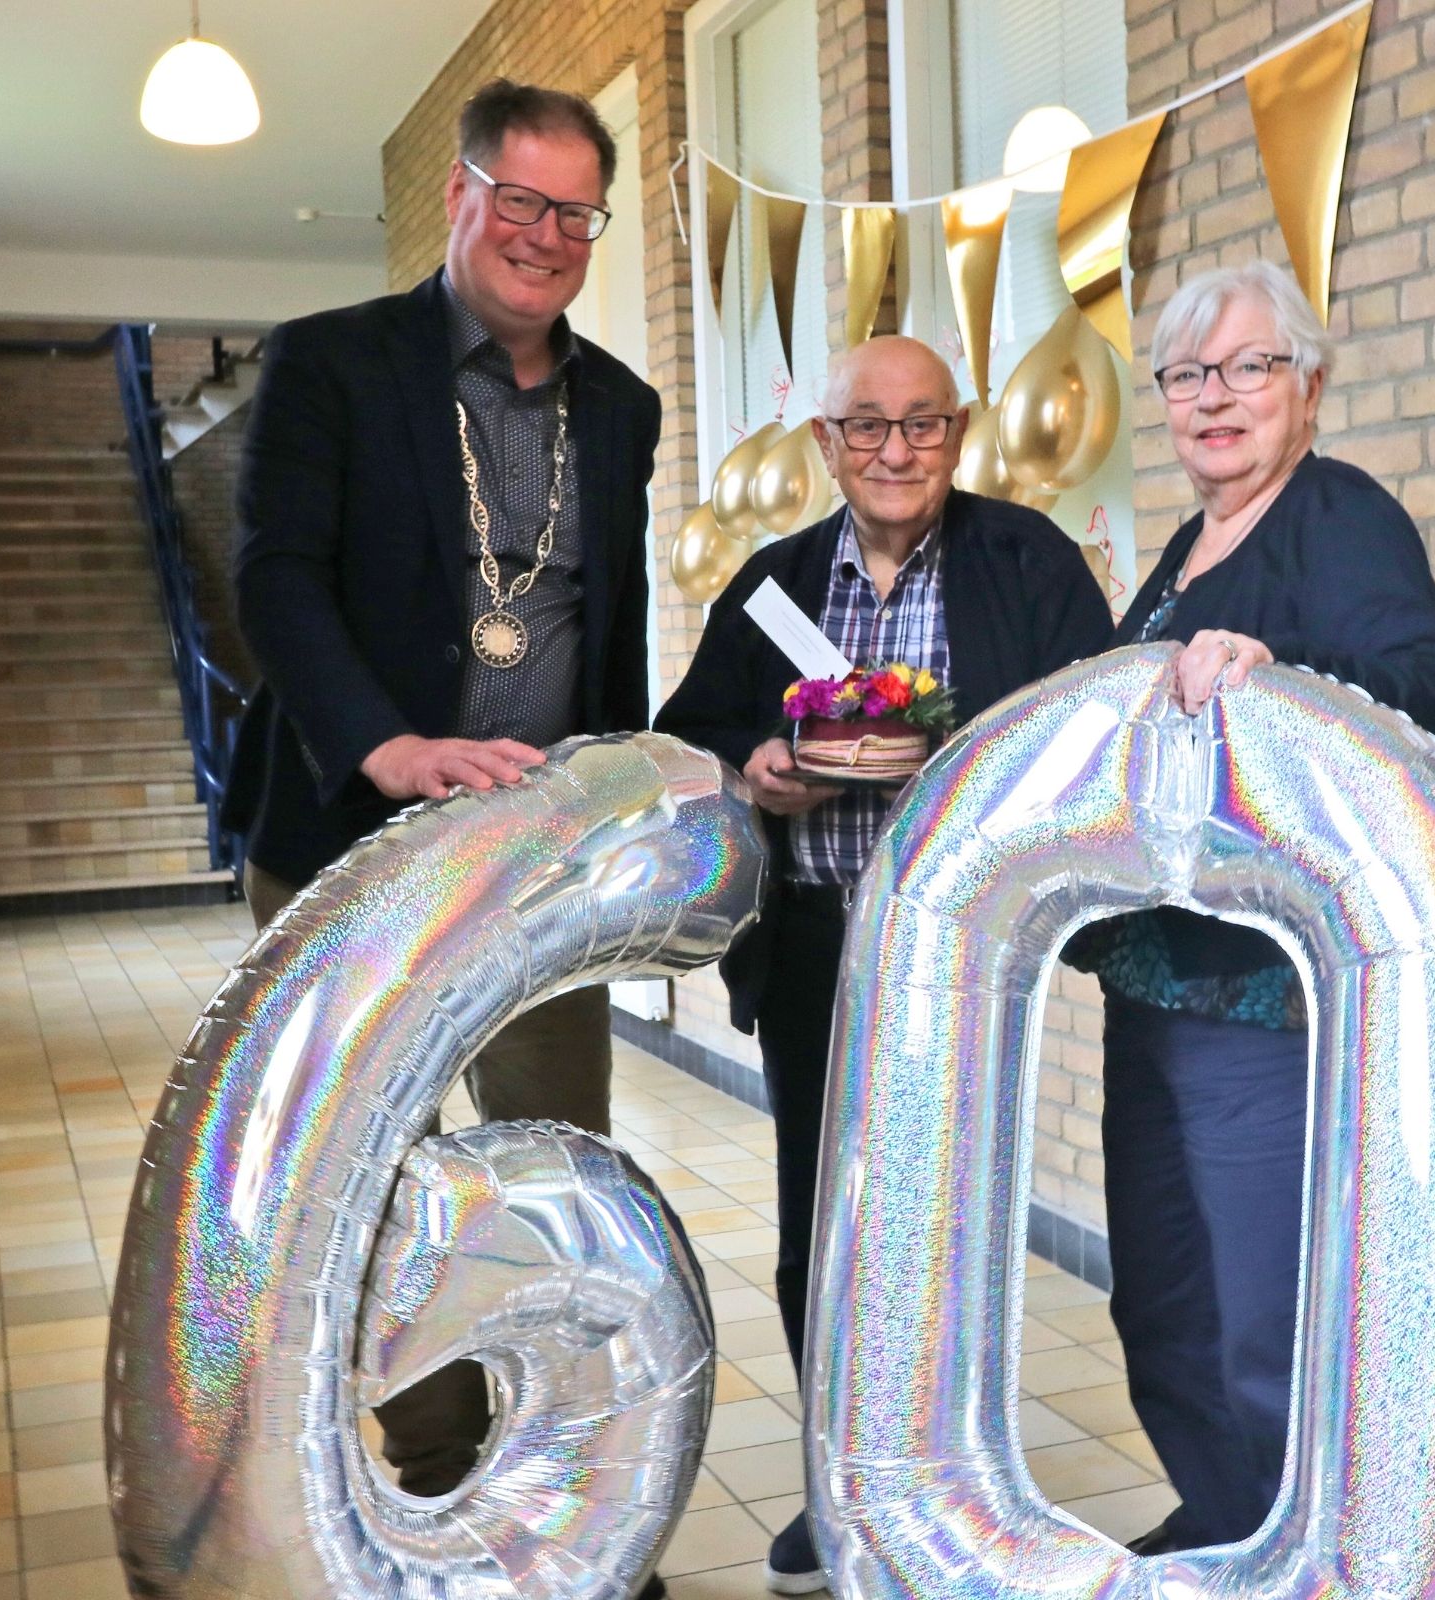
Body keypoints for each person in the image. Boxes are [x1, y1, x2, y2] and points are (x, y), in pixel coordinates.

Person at [220, 77, 664, 1533]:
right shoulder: (332, 365)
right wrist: (388, 746)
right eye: (521, 199)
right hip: (361, 851)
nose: (545, 234)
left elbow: (612, 619)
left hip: (539, 869)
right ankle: (430, 1494)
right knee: (378, 1185)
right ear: (463, 196)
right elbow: (276, 578)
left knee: (557, 1176)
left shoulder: (623, 406)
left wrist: (621, 789)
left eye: (575, 212)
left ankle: (559, 1509)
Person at [656, 335, 1115, 1593]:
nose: (896, 450)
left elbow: (1095, 721)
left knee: (952, 1223)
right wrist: (755, 767)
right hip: (816, 953)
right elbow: (688, 735)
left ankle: (959, 1488)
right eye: (868, 427)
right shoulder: (770, 586)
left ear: (958, 435)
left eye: (921, 425)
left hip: (967, 964)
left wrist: (960, 757)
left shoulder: (1030, 562)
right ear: (827, 445)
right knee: (827, 1226)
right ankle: (840, 1479)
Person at [1076, 259, 1435, 1555]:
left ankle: (1298, 1558)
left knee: (1266, 1312)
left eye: (1249, 367)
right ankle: (1226, 1524)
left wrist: (1277, 675)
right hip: (1156, 987)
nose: (1216, 398)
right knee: (1167, 1305)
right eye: (1190, 375)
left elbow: (1427, 684)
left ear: (1308, 385)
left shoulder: (1337, 513)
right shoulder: (1187, 548)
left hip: (1266, 1004)